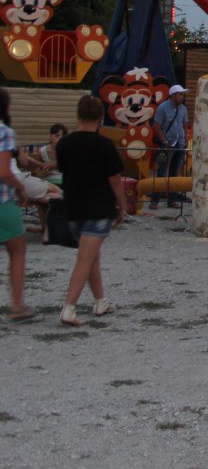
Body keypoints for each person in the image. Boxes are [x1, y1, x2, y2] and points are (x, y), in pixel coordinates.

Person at [56, 94, 129, 327]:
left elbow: (63, 171)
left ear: (78, 115)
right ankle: (69, 307)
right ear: (100, 118)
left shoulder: (64, 144)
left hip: (73, 207)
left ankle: (100, 301)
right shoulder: (104, 145)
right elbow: (115, 181)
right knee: (85, 258)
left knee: (91, 257)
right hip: (98, 208)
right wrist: (123, 205)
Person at [0, 89, 33, 321]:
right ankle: (17, 305)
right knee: (18, 250)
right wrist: (21, 188)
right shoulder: (5, 132)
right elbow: (3, 172)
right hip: (3, 200)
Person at [151, 83, 189, 208]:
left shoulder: (183, 109)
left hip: (179, 143)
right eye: (180, 94)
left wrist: (186, 138)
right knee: (161, 172)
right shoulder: (162, 108)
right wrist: (165, 141)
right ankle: (154, 201)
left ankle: (172, 200)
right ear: (173, 95)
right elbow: (156, 126)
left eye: (183, 95)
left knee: (175, 172)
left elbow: (184, 125)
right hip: (166, 144)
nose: (182, 97)